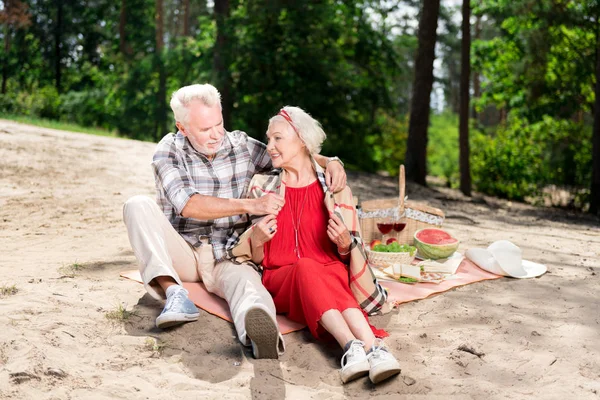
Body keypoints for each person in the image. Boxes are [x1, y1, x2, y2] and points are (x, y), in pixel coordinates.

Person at [122, 84, 347, 360]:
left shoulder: (241, 144)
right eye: (205, 130)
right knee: (136, 205)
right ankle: (174, 293)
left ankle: (259, 331)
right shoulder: (168, 150)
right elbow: (188, 204)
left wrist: (331, 161)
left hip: (228, 254)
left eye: (219, 123)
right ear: (183, 128)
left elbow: (292, 154)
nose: (217, 134)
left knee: (249, 290)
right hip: (181, 250)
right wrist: (251, 204)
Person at [230, 106, 401, 383]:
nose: (269, 147)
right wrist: (257, 240)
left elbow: (349, 258)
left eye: (277, 139)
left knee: (330, 271)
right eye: (268, 139)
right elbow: (259, 261)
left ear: (301, 140)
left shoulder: (333, 188)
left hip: (330, 274)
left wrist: (345, 244)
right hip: (283, 280)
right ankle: (350, 345)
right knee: (308, 267)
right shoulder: (263, 187)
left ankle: (373, 349)